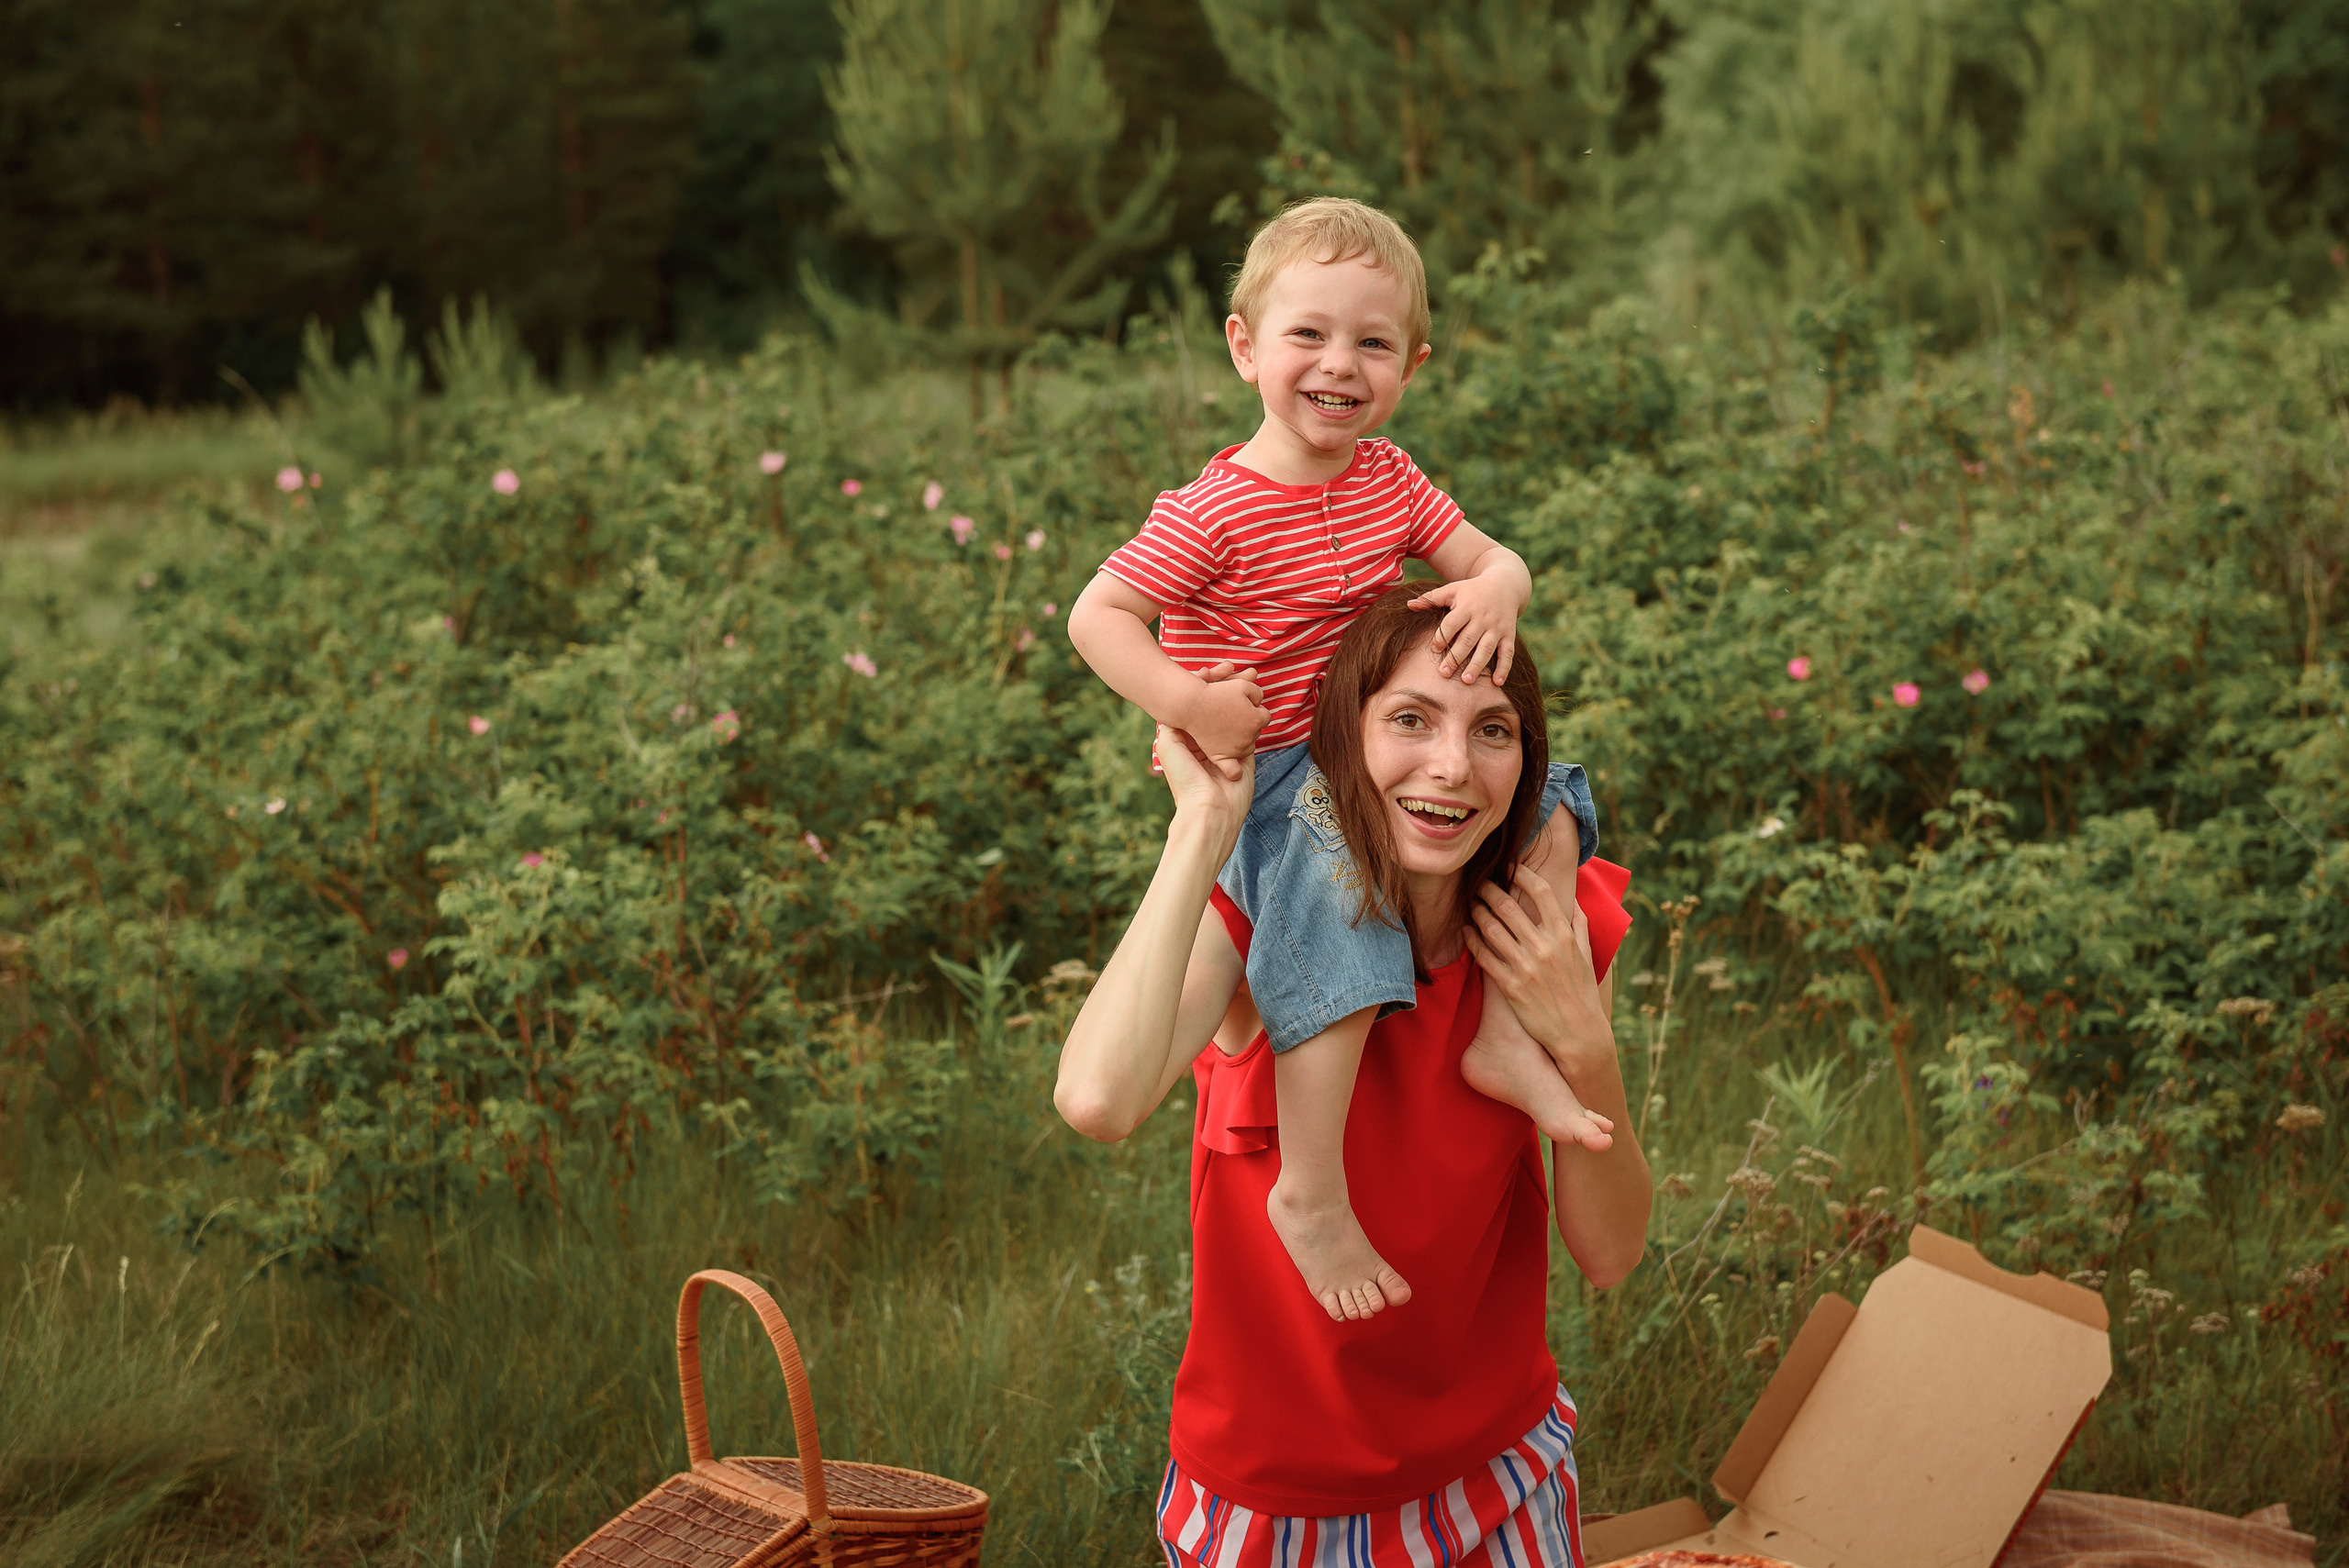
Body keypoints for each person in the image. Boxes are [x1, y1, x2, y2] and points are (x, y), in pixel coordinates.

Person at [1066, 196, 1611, 1324]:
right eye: (1307, 333)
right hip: (1264, 767)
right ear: (1243, 346)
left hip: (1360, 749)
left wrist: (1501, 580)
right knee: (1340, 895)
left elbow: (1484, 555)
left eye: (1372, 342)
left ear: (1410, 364)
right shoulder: (1213, 508)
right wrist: (1186, 700)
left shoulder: (1389, 479)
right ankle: (1310, 1187)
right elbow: (1098, 615)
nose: (1338, 363)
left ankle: (1510, 1034)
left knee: (1559, 804)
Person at [1055, 591, 1653, 1567]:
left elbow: (1611, 1252)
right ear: (1343, 736)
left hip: (1502, 1470)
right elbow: (1097, 1099)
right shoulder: (1276, 922)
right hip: (1281, 1507)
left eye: (1492, 730)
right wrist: (1203, 828)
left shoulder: (1540, 925)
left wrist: (1586, 1048)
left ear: (1526, 761)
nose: (1452, 766)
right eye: (1409, 718)